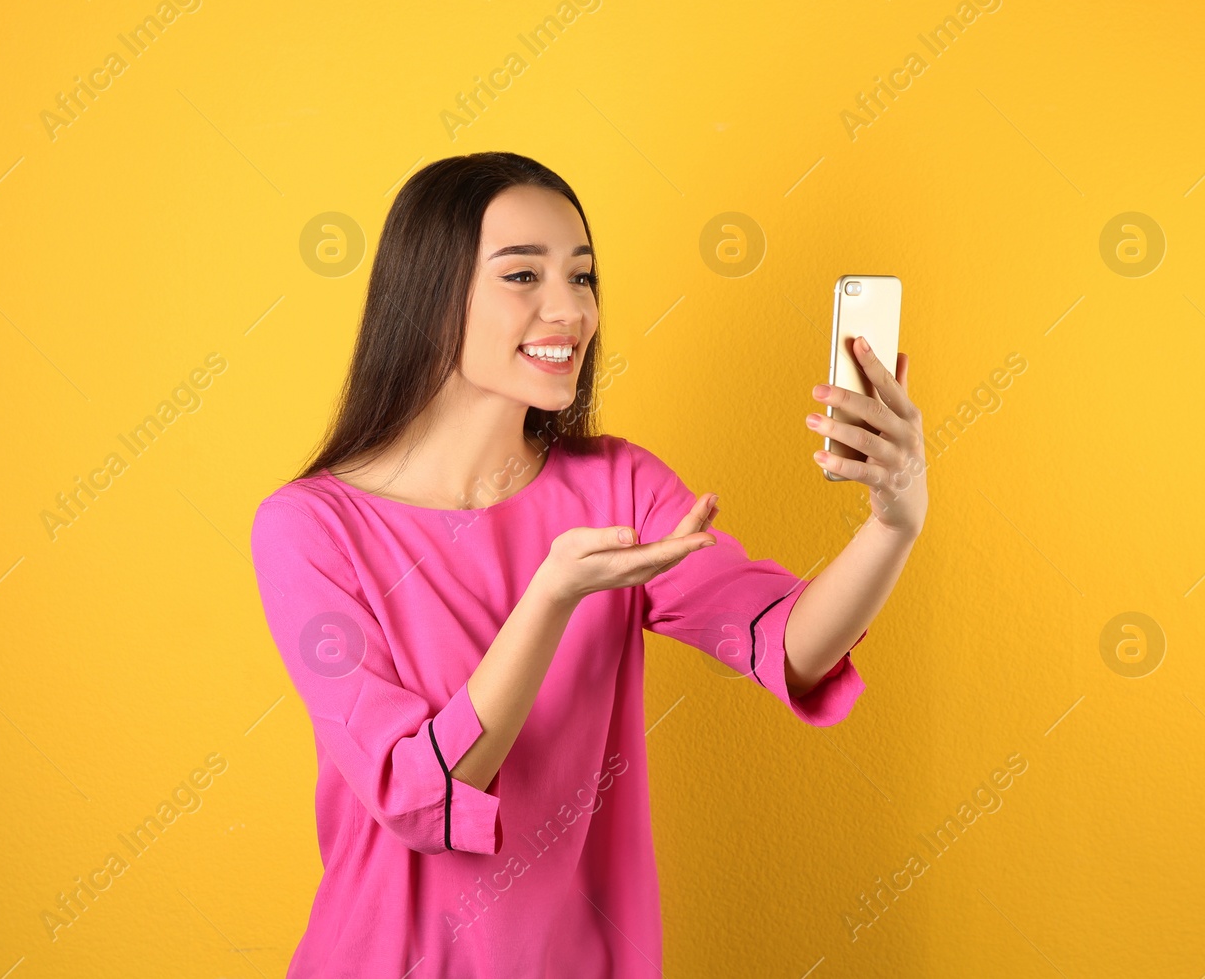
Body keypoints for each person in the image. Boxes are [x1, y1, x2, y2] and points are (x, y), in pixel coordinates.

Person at [250, 151, 927, 977]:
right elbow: (419, 794)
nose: (569, 309)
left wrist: (895, 521)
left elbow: (788, 646)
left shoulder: (618, 484)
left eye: (583, 276)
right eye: (523, 275)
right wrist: (553, 597)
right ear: (429, 297)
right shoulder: (309, 529)